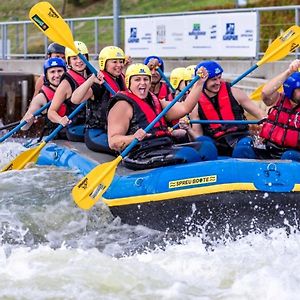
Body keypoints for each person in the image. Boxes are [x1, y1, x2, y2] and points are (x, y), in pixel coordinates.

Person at [106, 63, 217, 170]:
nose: (142, 83)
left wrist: (199, 83)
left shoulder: (156, 102)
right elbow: (113, 142)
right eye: (137, 79)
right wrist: (133, 137)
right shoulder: (121, 105)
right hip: (139, 154)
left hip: (164, 147)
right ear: (128, 83)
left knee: (207, 148)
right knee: (188, 155)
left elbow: (185, 108)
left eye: (146, 79)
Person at [186, 60, 265, 157]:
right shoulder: (196, 104)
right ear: (204, 81)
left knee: (243, 146)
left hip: (240, 137)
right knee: (203, 143)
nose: (218, 82)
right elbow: (198, 135)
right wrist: (188, 130)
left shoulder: (235, 93)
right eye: (213, 80)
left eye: (219, 78)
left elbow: (260, 114)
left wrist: (264, 124)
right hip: (216, 143)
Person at [71, 46, 127, 154]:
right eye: (114, 62)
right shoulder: (99, 84)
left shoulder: (121, 80)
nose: (119, 65)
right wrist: (91, 79)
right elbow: (75, 99)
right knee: (125, 148)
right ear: (104, 63)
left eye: (121, 61)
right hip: (96, 134)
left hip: (115, 131)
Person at [47, 41, 89, 142]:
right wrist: (60, 120)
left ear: (87, 58)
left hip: (90, 123)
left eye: (82, 57)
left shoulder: (91, 75)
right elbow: (51, 112)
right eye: (74, 58)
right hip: (75, 127)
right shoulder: (66, 83)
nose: (79, 61)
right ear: (69, 62)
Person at [259, 59, 300, 161]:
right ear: (290, 90)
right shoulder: (278, 99)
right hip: (270, 148)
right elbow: (265, 93)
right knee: (244, 149)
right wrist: (288, 72)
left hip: (293, 152)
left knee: (288, 156)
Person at [21, 57, 66, 138]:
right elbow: (23, 127)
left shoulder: (73, 89)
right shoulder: (41, 98)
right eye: (52, 72)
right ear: (47, 76)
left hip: (72, 134)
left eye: (60, 71)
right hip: (53, 138)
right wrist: (28, 119)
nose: (57, 75)